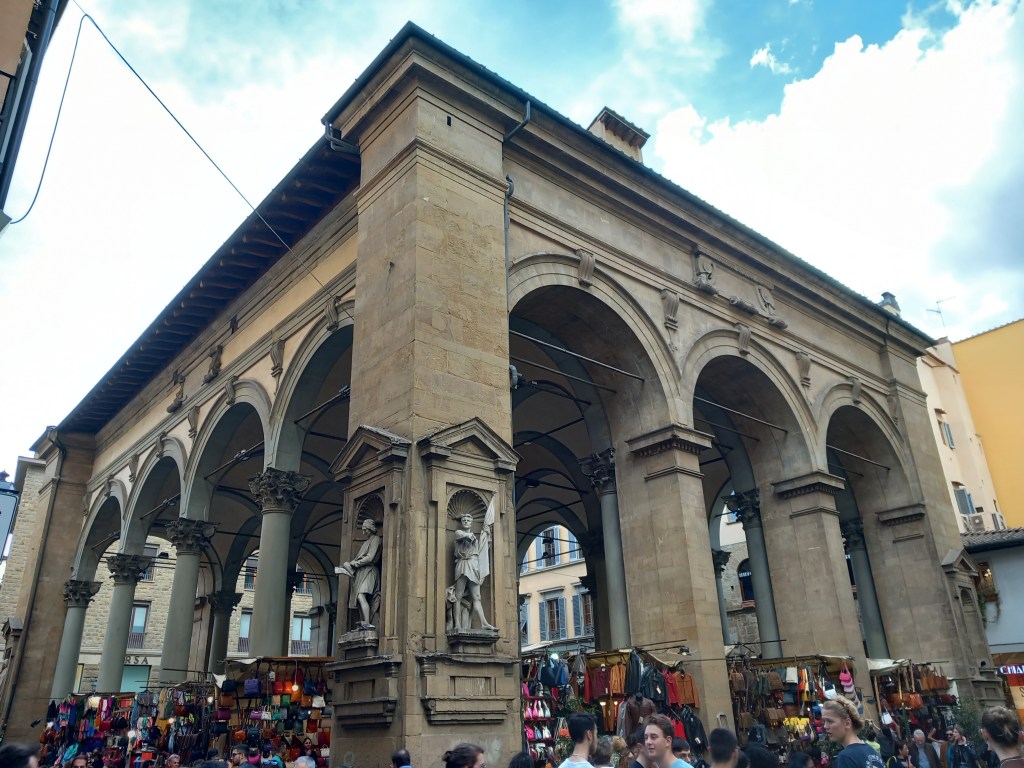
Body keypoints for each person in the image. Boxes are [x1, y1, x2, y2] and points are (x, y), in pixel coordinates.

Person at [452, 512, 496, 631]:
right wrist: (472, 536)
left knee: (477, 596)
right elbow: (465, 536)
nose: (466, 521)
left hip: (473, 565)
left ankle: (484, 623)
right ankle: (457, 624)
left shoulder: (474, 538)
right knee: (458, 596)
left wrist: (486, 534)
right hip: (462, 564)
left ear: (471, 522)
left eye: (468, 520)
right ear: (461, 522)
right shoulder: (458, 533)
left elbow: (482, 549)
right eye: (464, 520)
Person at [340, 517, 382, 629]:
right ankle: (364, 622)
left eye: (365, 529)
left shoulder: (376, 539)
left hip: (369, 570)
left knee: (360, 595)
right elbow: (359, 557)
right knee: (359, 598)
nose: (363, 532)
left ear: (371, 528)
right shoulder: (365, 543)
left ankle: (367, 622)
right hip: (361, 572)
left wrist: (356, 563)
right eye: (362, 530)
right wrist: (350, 564)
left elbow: (370, 557)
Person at [821, 696, 884, 768]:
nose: (825, 726)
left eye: (830, 721)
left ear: (847, 723)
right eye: (824, 721)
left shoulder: (846, 757)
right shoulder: (871, 750)